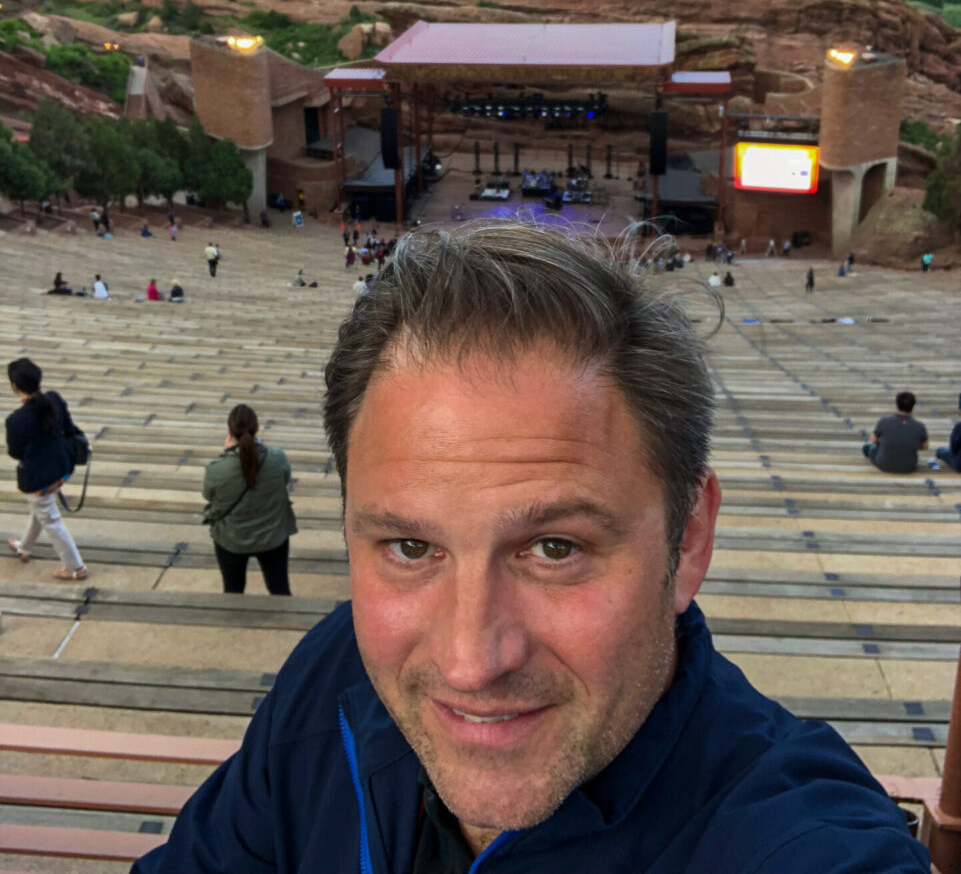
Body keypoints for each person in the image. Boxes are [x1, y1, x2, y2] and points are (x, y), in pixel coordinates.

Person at [136, 224, 926, 874]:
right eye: (410, 547)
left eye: (553, 548)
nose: (471, 662)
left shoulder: (799, 844)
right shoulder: (333, 674)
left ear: (687, 540)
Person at [5, 357, 87, 580]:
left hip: (38, 480)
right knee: (40, 510)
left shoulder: (16, 420)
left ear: (15, 386)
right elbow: (70, 429)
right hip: (62, 467)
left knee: (51, 520)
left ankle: (75, 567)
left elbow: (15, 453)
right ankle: (25, 546)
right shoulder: (54, 399)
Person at [201, 404, 296, 596]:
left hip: (231, 539)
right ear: (258, 428)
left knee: (233, 590)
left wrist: (227, 454)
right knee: (279, 589)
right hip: (273, 536)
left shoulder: (217, 468)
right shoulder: (278, 459)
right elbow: (283, 481)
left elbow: (208, 495)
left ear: (229, 432)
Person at [863, 391, 929, 474]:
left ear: (897, 405)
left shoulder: (884, 421)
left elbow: (872, 441)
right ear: (913, 406)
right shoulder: (920, 426)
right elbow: (925, 447)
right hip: (909, 467)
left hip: (884, 464)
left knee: (867, 447)